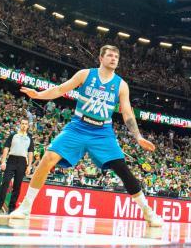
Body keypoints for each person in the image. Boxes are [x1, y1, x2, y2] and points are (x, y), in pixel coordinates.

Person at [9, 45, 163, 226]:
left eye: (116, 57)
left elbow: (127, 113)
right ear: (101, 58)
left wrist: (138, 137)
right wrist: (39, 95)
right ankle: (25, 207)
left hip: (102, 132)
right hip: (78, 126)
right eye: (110, 55)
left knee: (123, 169)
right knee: (48, 158)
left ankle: (148, 212)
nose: (114, 59)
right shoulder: (85, 74)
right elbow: (60, 89)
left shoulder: (121, 85)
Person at [0, 118, 35, 214]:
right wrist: (3, 162)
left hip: (22, 162)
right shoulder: (13, 135)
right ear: (20, 124)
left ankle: (11, 208)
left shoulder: (29, 138)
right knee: (5, 183)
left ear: (28, 126)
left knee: (17, 186)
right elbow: (6, 148)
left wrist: (29, 166)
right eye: (22, 123)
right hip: (11, 160)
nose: (24, 125)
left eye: (26, 124)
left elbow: (30, 152)